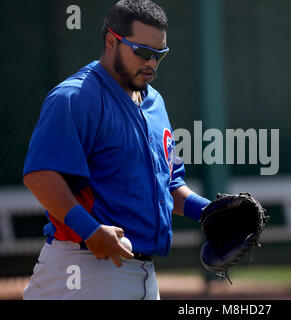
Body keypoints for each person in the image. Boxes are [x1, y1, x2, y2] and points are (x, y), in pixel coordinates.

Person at [22, 0, 211, 300]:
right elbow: (41, 175)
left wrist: (208, 211)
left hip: (144, 275)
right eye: (143, 53)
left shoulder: (154, 103)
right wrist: (90, 230)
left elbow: (170, 184)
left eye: (159, 55)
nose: (151, 63)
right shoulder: (76, 96)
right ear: (112, 41)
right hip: (84, 268)